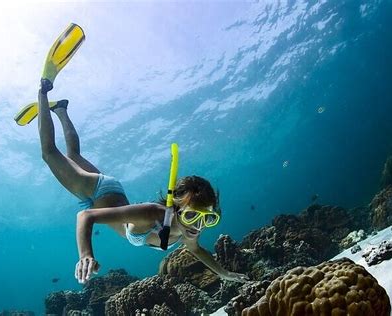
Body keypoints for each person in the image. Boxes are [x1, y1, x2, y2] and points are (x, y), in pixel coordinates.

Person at [37, 79, 249, 284]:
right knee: (49, 153)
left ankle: (61, 109)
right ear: (175, 208)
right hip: (98, 191)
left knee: (73, 155)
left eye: (207, 219)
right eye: (193, 215)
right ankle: (43, 92)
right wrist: (85, 255)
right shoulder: (152, 214)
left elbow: (196, 250)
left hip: (113, 193)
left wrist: (224, 274)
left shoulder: (189, 229)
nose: (198, 226)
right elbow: (86, 216)